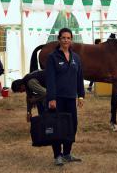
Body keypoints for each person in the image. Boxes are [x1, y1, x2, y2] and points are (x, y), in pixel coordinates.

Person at [46, 28, 85, 166]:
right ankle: (57, 155)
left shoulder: (76, 58)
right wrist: (51, 98)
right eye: (63, 38)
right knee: (57, 126)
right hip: (57, 99)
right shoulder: (52, 57)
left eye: (68, 38)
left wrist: (81, 95)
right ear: (59, 39)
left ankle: (67, 153)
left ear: (71, 40)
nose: (66, 40)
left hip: (70, 98)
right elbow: (50, 79)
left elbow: (79, 78)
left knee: (72, 126)